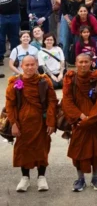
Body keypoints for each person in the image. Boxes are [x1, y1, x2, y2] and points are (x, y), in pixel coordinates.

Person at [62, 53, 97, 191]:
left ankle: (95, 177)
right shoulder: (70, 79)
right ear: (76, 63)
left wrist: (91, 117)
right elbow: (67, 100)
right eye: (80, 62)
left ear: (91, 63)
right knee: (78, 152)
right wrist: (80, 115)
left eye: (86, 62)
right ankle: (80, 179)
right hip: (78, 123)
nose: (83, 64)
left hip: (95, 122)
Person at [6, 55, 58, 193]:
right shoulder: (15, 82)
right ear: (21, 67)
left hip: (41, 122)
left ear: (37, 65)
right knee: (24, 150)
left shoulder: (44, 81)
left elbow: (52, 101)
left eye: (32, 65)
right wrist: (14, 124)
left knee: (41, 148)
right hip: (22, 123)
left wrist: (51, 121)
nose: (29, 67)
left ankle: (41, 177)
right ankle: (25, 178)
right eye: (26, 65)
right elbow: (10, 105)